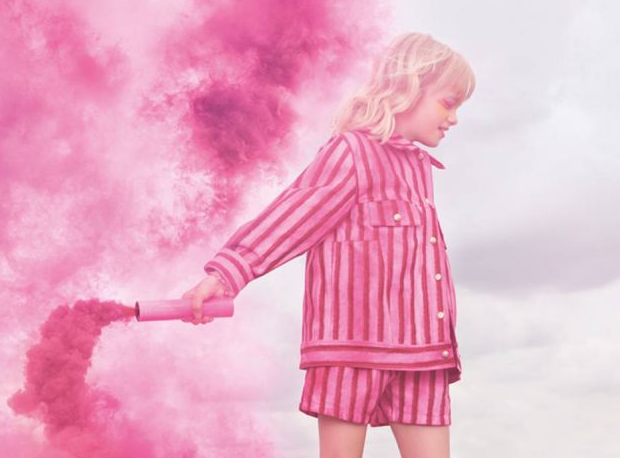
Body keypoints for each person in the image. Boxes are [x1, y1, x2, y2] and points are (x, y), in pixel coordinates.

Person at [181, 32, 476, 458]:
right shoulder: (351, 152)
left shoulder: (419, 170)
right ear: (409, 87)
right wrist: (226, 274)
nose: (454, 118)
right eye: (448, 102)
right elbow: (290, 217)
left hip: (424, 351)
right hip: (351, 348)